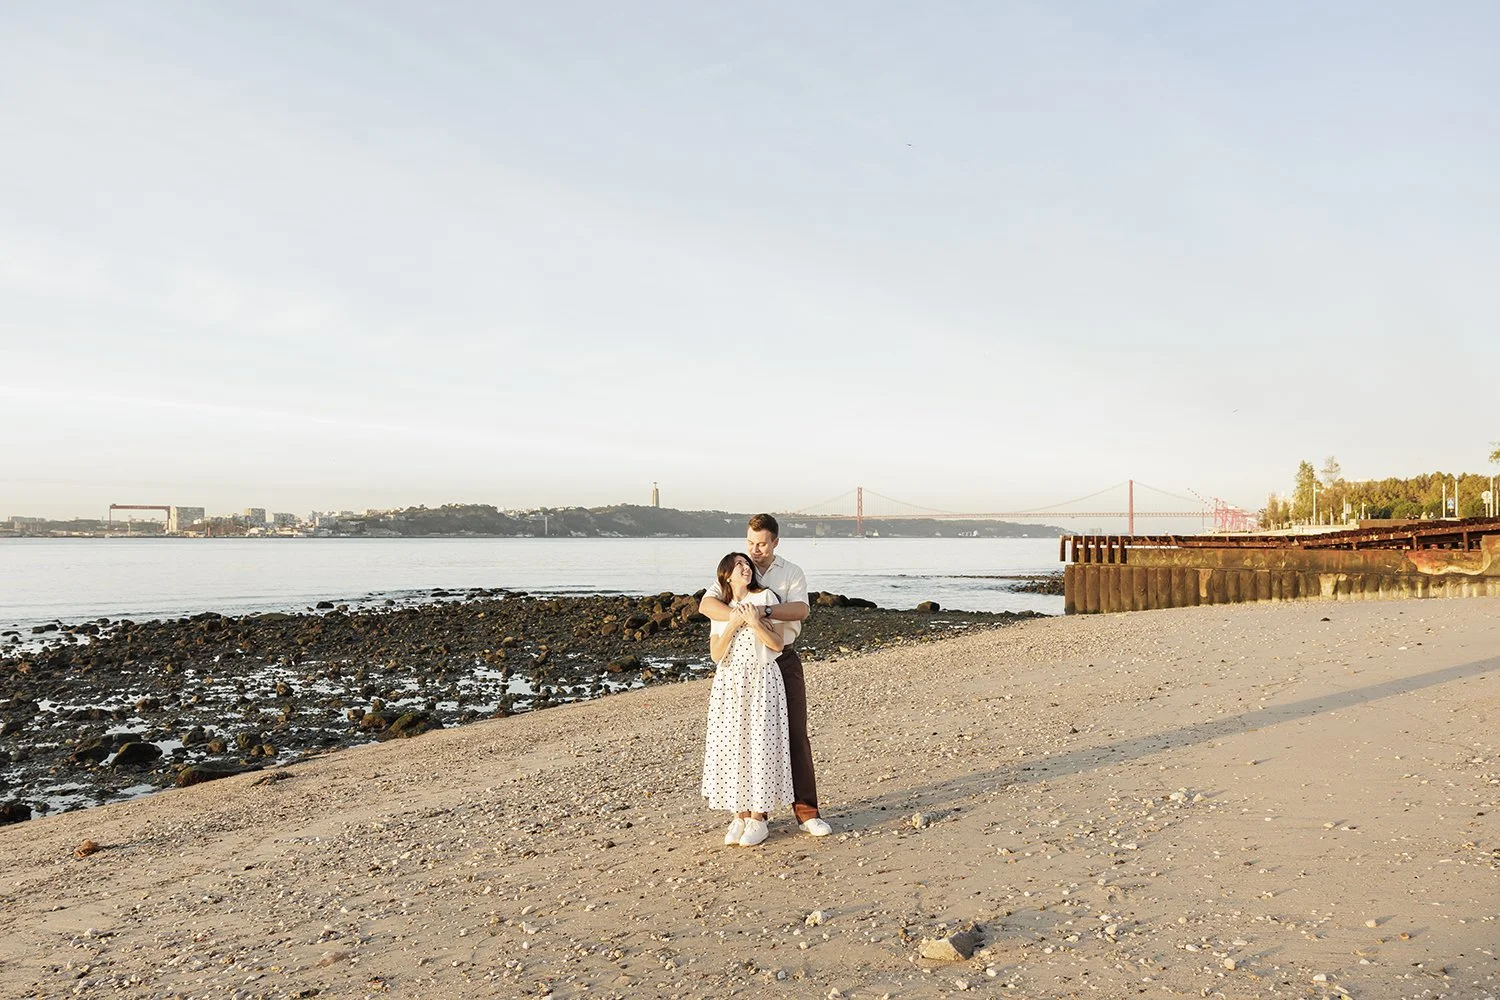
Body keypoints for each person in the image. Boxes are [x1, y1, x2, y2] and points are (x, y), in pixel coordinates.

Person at [699, 513, 832, 837]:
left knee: (794, 734)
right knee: (745, 738)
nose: (755, 550)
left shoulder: (790, 572)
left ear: (775, 542)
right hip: (740, 669)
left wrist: (761, 611)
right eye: (750, 543)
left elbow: (801, 610)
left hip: (781, 659)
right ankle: (752, 813)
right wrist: (739, 615)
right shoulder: (735, 567)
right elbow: (706, 605)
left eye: (761, 544)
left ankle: (806, 812)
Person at [700, 551, 795, 847]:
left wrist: (754, 622)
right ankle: (739, 816)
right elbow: (716, 654)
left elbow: (777, 644)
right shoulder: (721, 608)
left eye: (747, 564)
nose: (746, 568)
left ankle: (758, 818)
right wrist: (733, 623)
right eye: (738, 565)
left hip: (762, 678)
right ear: (727, 574)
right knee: (733, 746)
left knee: (761, 746)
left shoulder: (766, 598)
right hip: (729, 683)